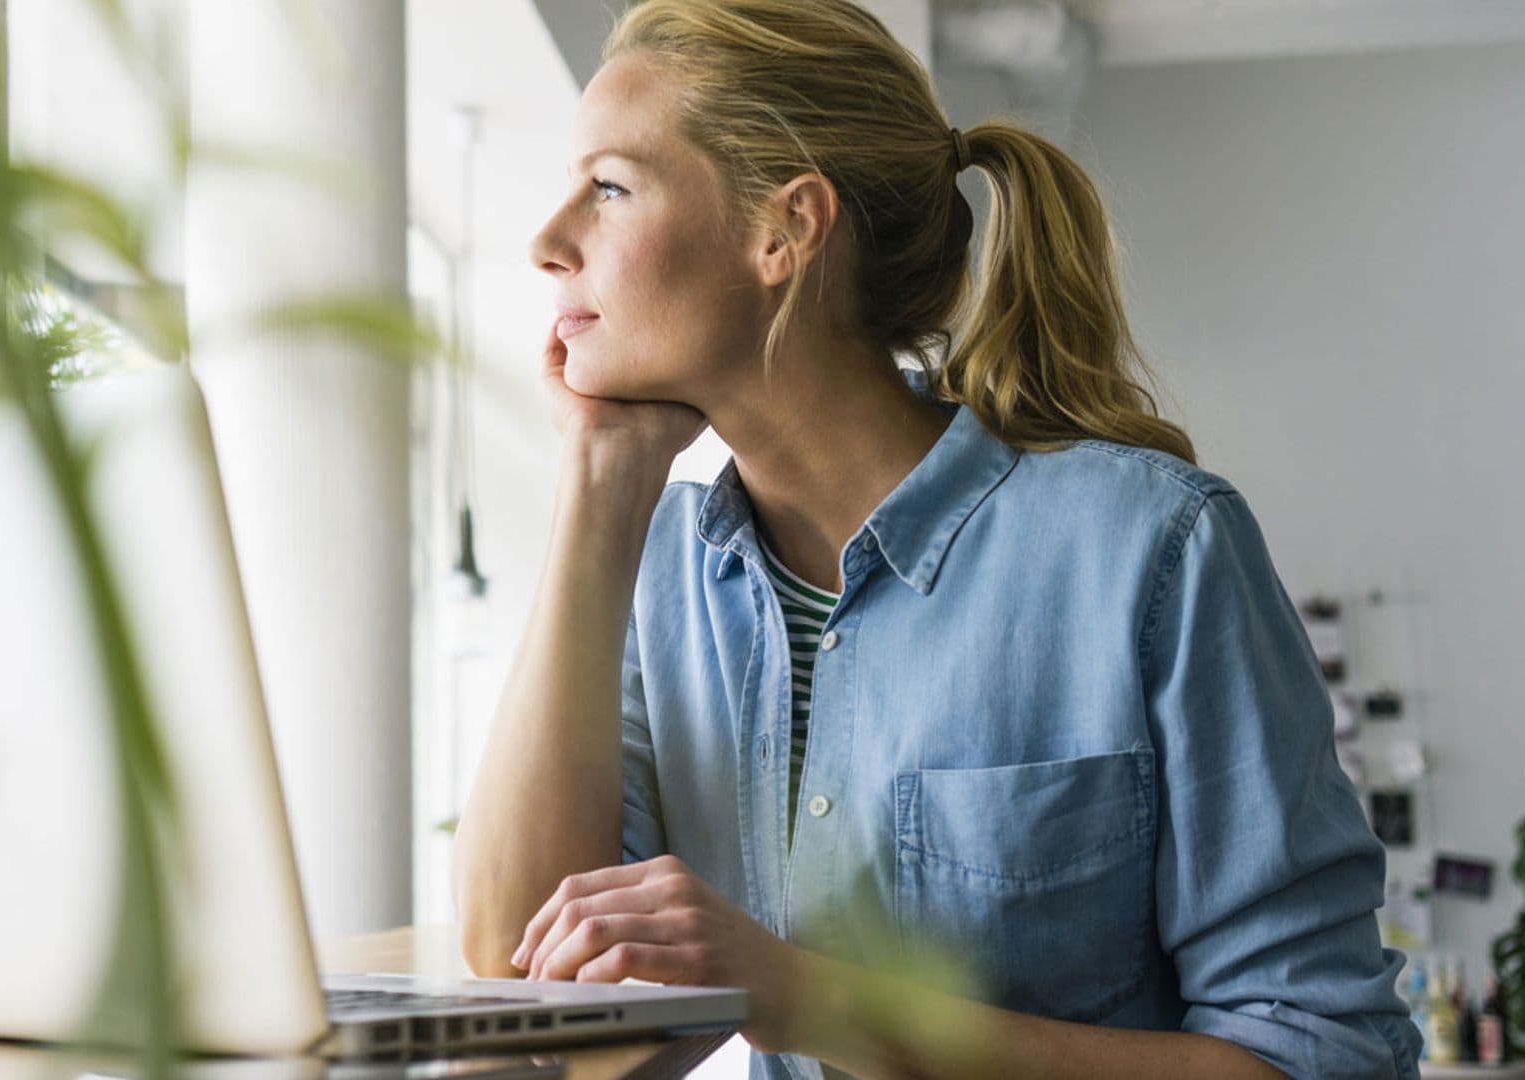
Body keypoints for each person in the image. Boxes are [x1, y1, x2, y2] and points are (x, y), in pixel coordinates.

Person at [449, 1, 1420, 1076]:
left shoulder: (1154, 550)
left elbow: (1326, 1056)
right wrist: (598, 478)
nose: (548, 243)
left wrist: (809, 998)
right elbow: (520, 969)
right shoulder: (656, 572)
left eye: (611, 188)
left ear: (786, 230)